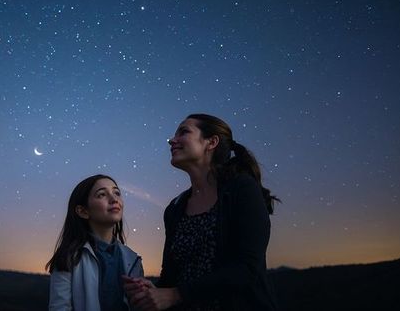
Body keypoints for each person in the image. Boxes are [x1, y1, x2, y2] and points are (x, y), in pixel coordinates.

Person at [124, 114, 279, 311]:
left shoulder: (241, 189)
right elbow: (171, 275)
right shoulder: (175, 208)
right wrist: (153, 291)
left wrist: (176, 294)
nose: (172, 140)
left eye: (184, 132)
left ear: (211, 142)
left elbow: (247, 269)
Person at [47, 174, 144, 311]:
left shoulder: (133, 260)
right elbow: (59, 307)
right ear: (83, 211)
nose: (114, 199)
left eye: (117, 193)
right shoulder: (69, 257)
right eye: (102, 195)